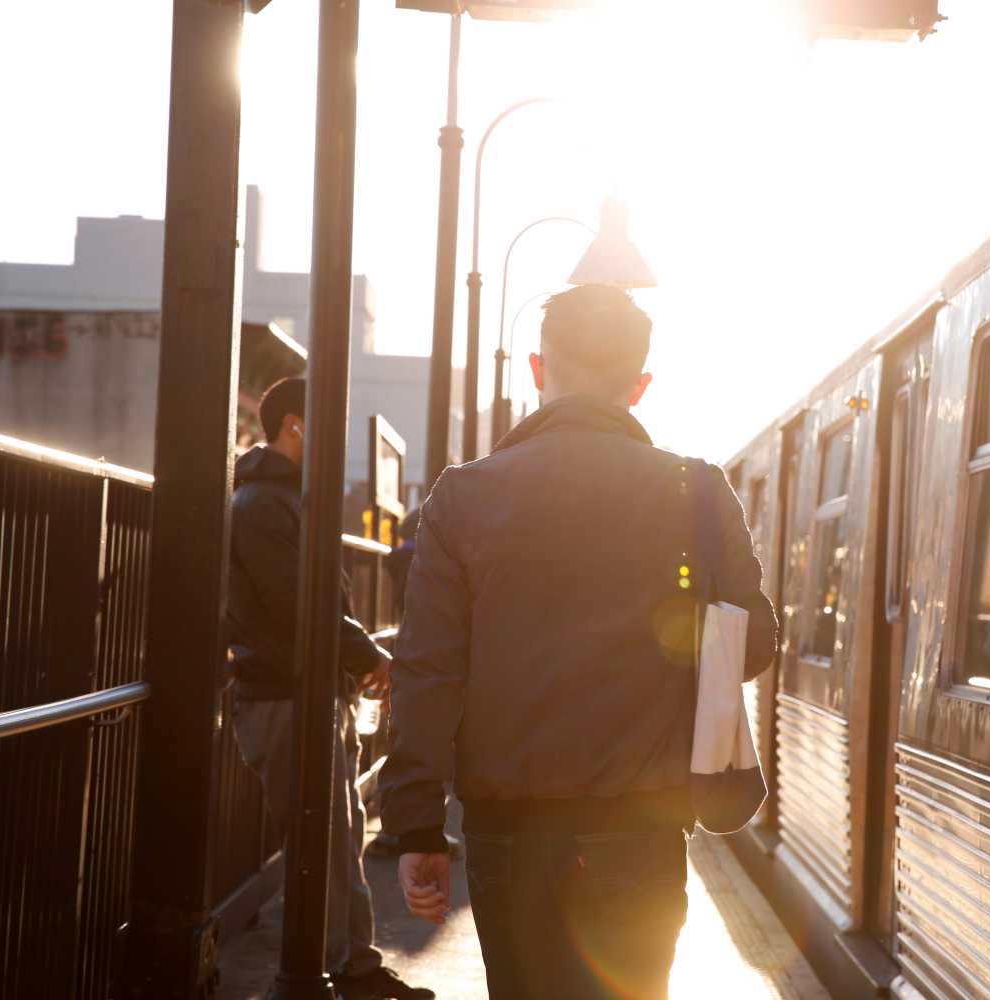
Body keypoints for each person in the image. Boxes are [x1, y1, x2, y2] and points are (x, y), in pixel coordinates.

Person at [381, 285, 778, 999]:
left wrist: (416, 829)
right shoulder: (697, 492)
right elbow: (752, 646)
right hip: (641, 833)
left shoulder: (463, 497)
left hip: (508, 836)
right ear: (640, 383)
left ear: (537, 369)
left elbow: (426, 673)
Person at [226, 377, 433, 1000]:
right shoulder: (265, 504)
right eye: (326, 427)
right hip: (284, 695)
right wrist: (365, 651)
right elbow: (300, 599)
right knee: (322, 837)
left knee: (337, 834)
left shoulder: (281, 500)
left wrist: (352, 659)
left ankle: (349, 963)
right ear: (295, 425)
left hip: (304, 693)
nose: (336, 444)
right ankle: (326, 969)